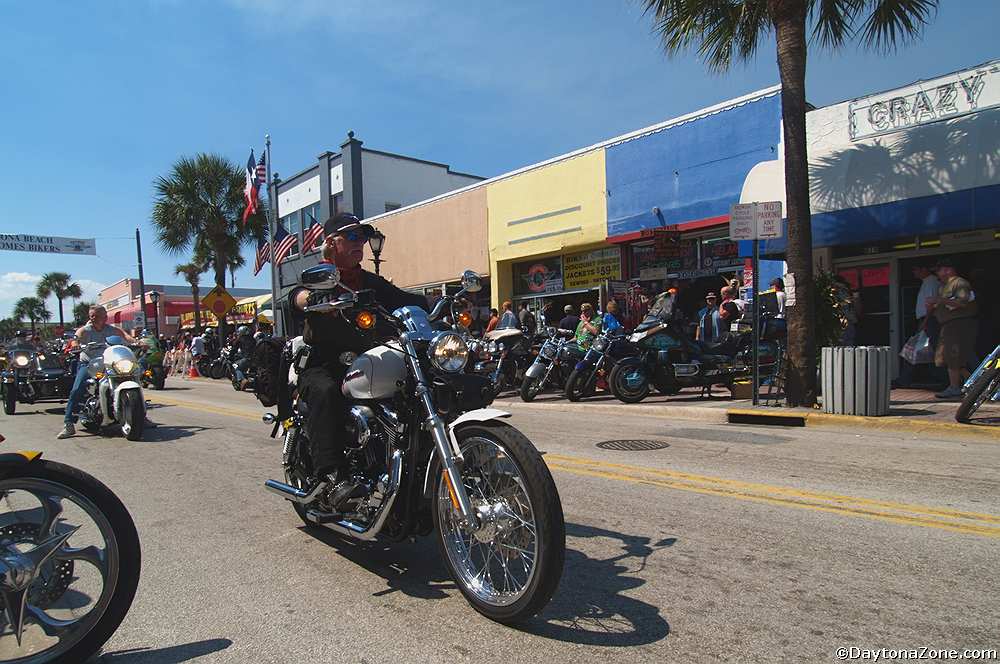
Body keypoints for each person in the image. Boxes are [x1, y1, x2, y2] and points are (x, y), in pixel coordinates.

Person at [289, 212, 427, 506]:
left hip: (367, 360)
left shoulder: (369, 282)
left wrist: (442, 303)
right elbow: (296, 296)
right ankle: (333, 476)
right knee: (326, 391)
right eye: (351, 236)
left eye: (362, 236)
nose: (360, 242)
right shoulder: (322, 277)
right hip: (325, 363)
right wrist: (312, 300)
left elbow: (404, 299)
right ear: (331, 242)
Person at [57, 305, 134, 439]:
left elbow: (125, 336)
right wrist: (75, 342)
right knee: (77, 388)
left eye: (96, 315)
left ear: (104, 317)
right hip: (89, 364)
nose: (92, 318)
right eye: (91, 315)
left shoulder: (112, 330)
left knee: (131, 377)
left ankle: (140, 416)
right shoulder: (86, 330)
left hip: (109, 364)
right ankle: (68, 424)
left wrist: (137, 341)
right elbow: (77, 335)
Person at [927, 258, 978, 399]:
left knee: (954, 356)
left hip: (958, 324)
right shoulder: (944, 286)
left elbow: (962, 302)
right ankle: (976, 384)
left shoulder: (959, 283)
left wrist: (939, 300)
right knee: (946, 357)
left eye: (939, 270)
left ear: (948, 269)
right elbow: (943, 306)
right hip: (947, 326)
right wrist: (933, 306)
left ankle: (955, 387)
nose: (937, 274)